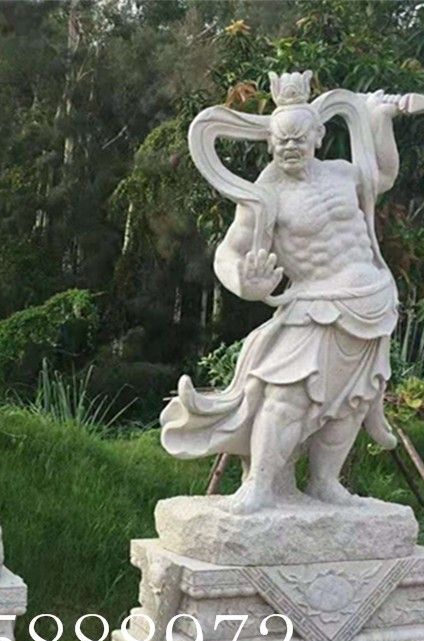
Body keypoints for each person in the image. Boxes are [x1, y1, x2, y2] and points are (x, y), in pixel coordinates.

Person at [161, 71, 405, 513]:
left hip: (373, 302)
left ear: (317, 137)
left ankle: (325, 482)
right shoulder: (264, 195)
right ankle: (260, 484)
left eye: (299, 138)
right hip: (314, 305)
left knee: (352, 400)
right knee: (286, 395)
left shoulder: (343, 174)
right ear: (270, 143)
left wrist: (381, 119)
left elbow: (384, 173)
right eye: (282, 140)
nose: (291, 147)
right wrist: (246, 283)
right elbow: (228, 254)